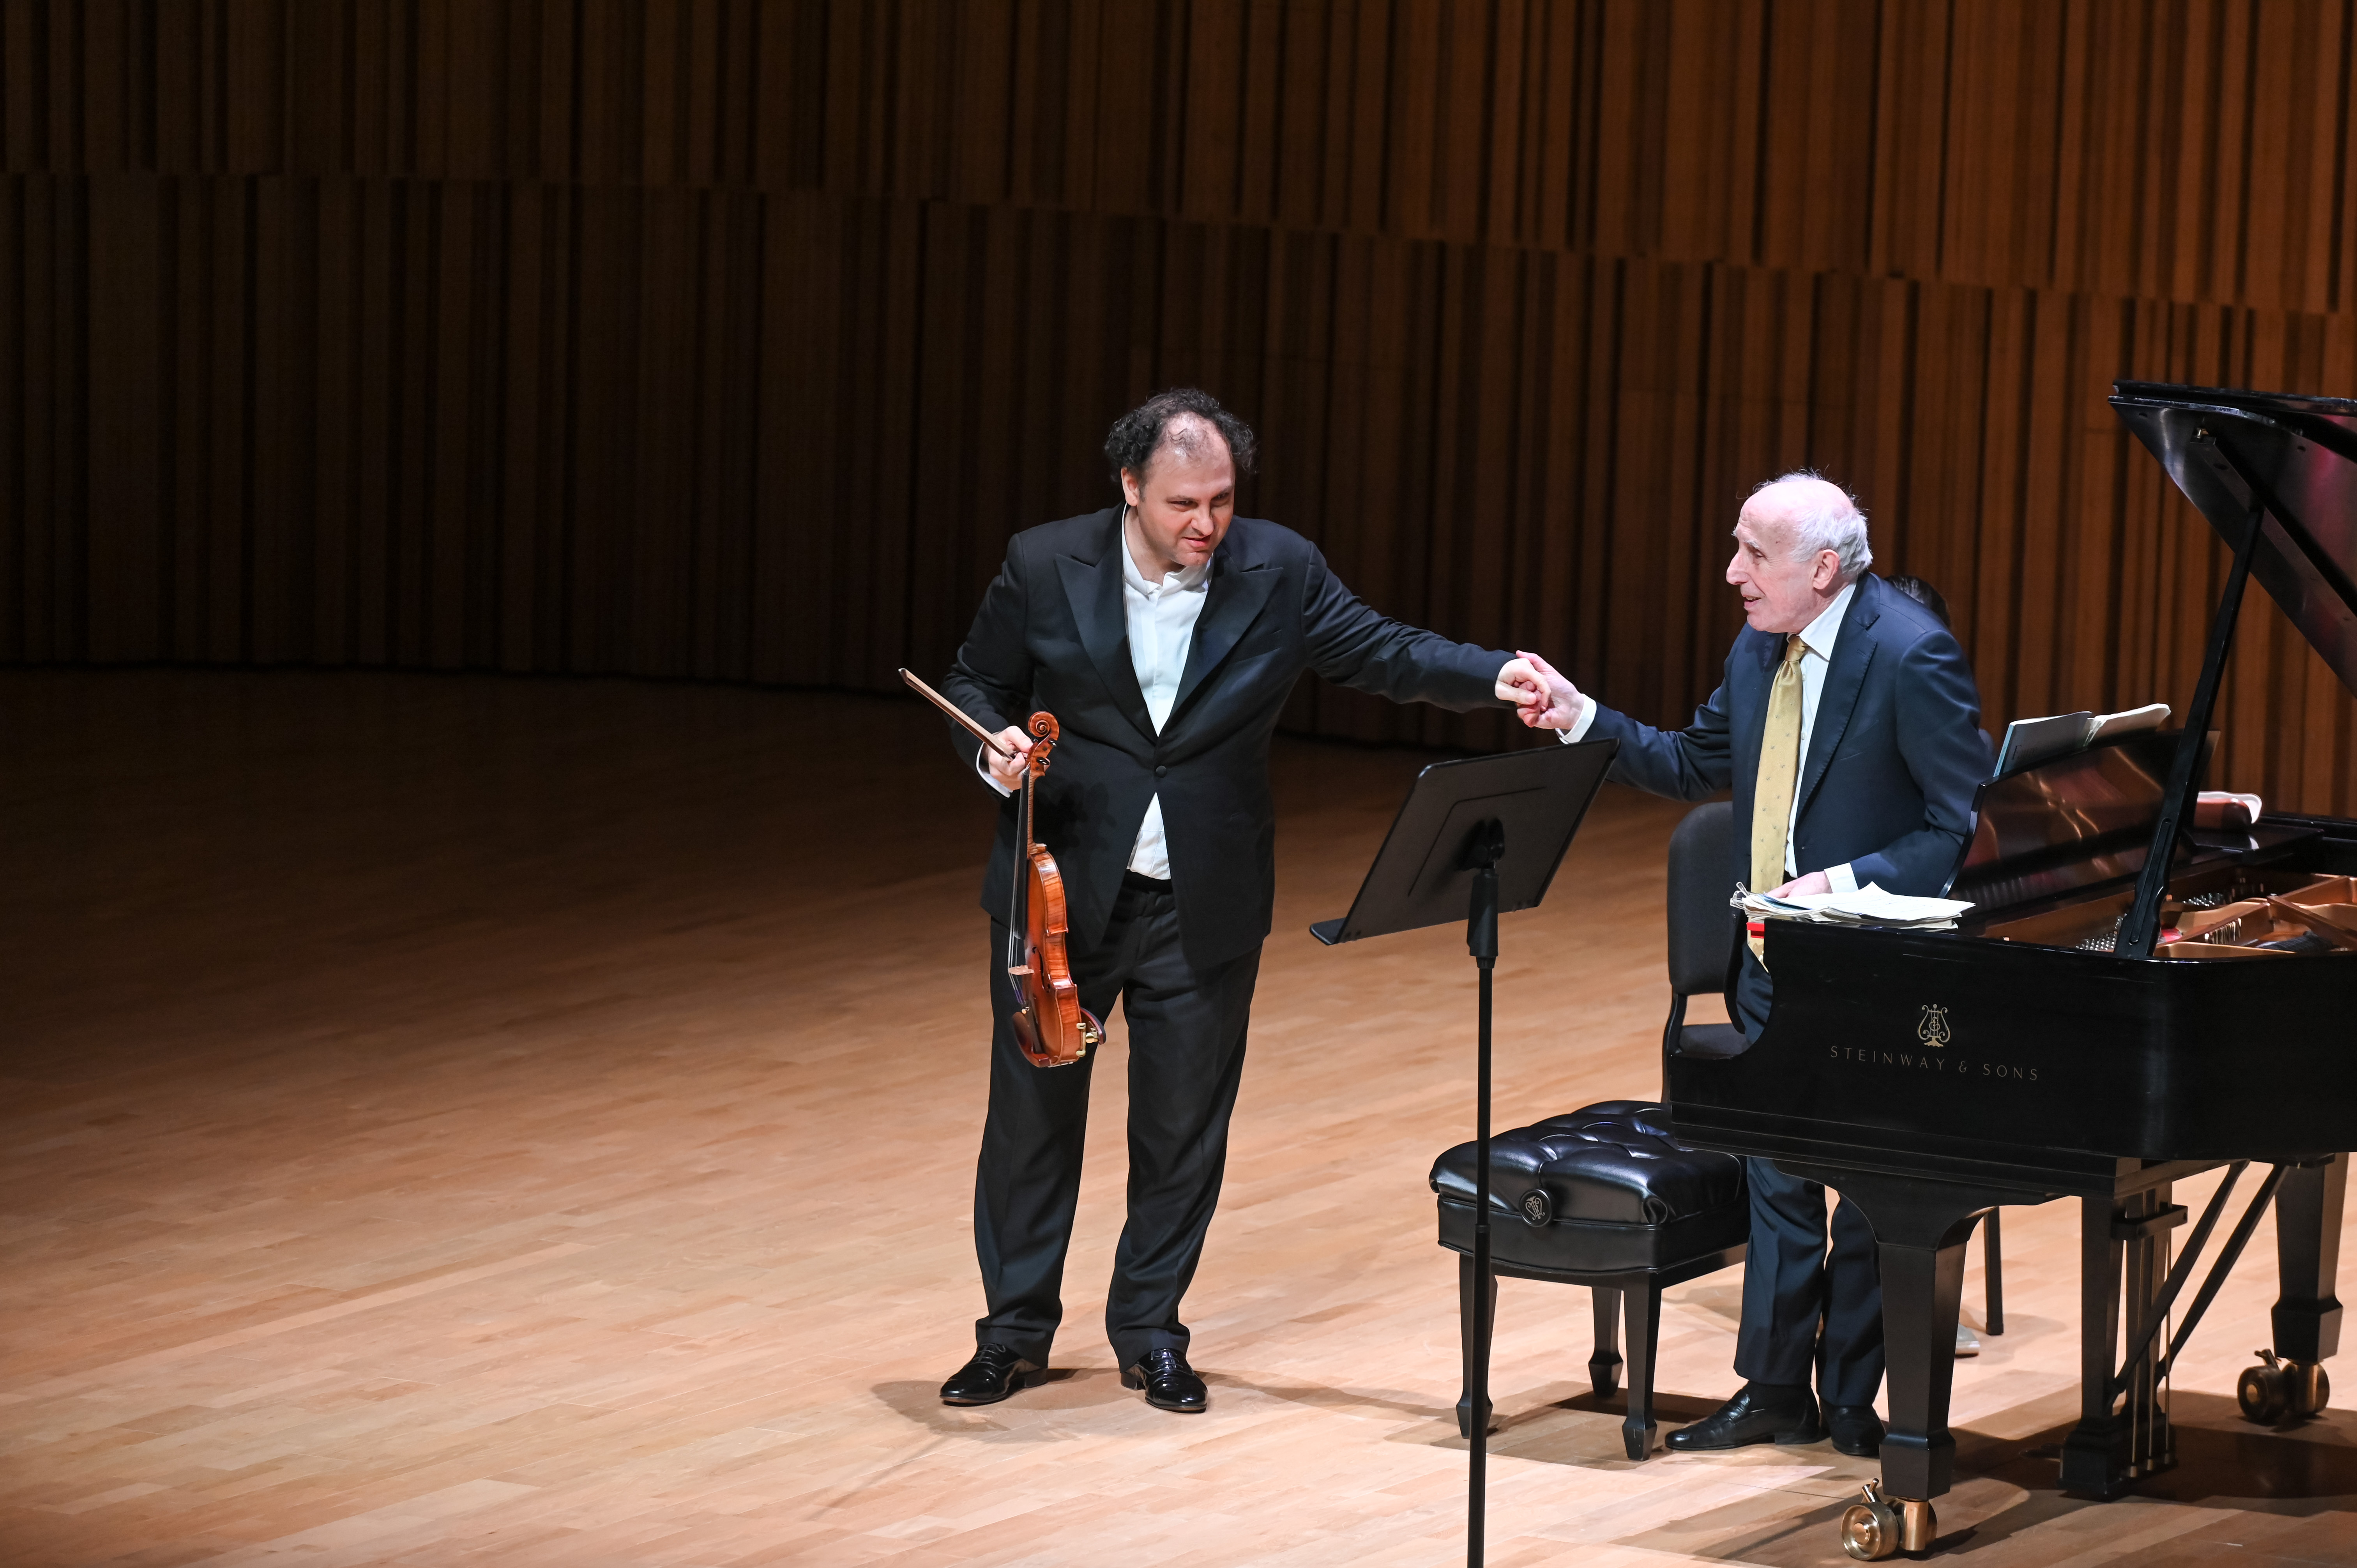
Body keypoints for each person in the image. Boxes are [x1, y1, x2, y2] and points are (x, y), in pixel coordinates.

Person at [934, 389, 1558, 1413]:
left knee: (1182, 1129)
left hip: (1203, 896)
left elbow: (1384, 650)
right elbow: (975, 681)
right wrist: (988, 750)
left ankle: (1149, 1333)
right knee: (1031, 1125)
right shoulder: (1046, 562)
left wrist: (1494, 678)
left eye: (1222, 500)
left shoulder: (1279, 568)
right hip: (1061, 893)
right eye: (1184, 502)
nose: (1206, 524)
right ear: (1129, 488)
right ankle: (1012, 1334)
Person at [1511, 473, 1986, 1457]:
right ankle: (1775, 1389)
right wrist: (1576, 713)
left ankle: (1853, 1399)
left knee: (1859, 1191)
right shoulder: (1759, 643)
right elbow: (1691, 762)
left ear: (1822, 567)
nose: (1732, 573)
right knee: (1775, 1176)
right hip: (1770, 958)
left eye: (1752, 553)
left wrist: (1840, 883)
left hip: (1868, 964)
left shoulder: (1909, 652)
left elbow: (1960, 823)